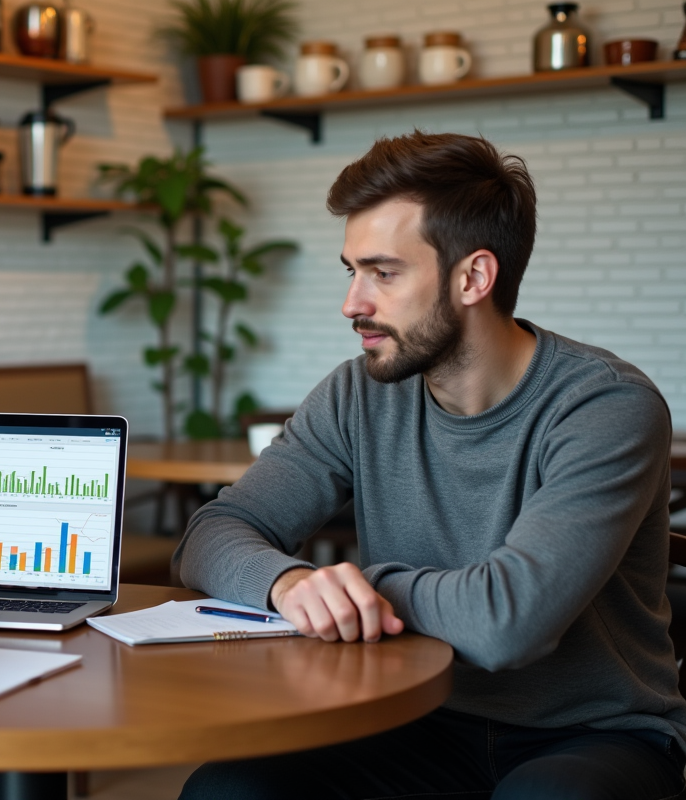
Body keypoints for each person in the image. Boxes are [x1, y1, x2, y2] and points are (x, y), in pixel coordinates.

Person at [175, 131, 686, 800]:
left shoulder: (605, 407)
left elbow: (509, 623)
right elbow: (212, 533)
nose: (352, 303)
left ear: (473, 276)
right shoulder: (356, 393)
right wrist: (291, 584)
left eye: (383, 273)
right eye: (351, 271)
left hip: (592, 734)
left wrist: (362, 585)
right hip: (413, 714)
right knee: (227, 791)